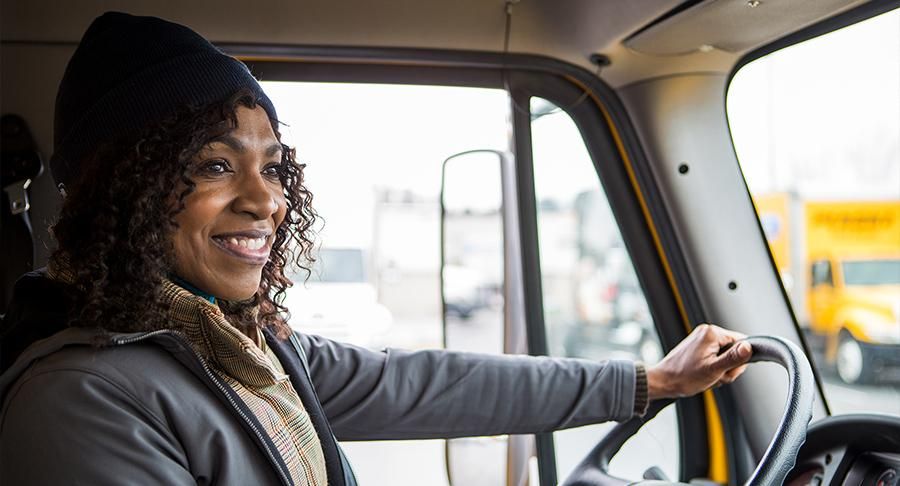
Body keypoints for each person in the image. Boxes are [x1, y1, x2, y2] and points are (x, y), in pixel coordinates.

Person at [0, 12, 752, 486]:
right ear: (121, 189)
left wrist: (646, 384)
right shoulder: (78, 400)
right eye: (214, 165)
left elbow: (428, 384)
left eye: (272, 166)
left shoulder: (235, 347)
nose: (266, 200)